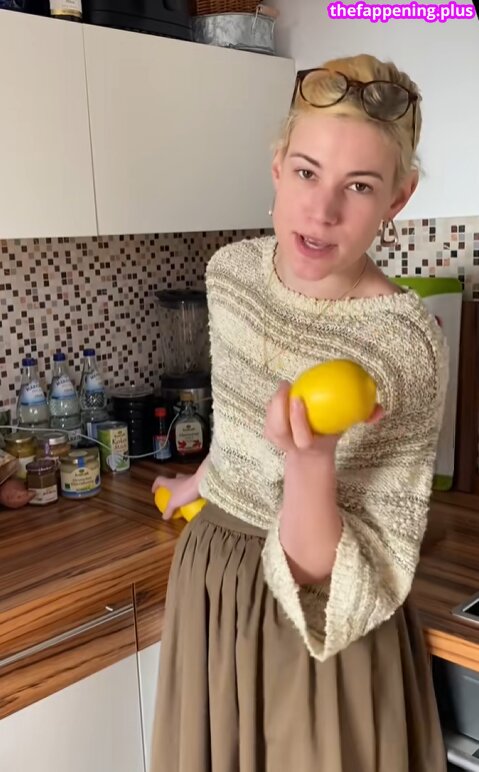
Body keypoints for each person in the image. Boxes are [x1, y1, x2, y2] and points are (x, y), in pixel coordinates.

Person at [150, 53, 450, 771]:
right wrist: (205, 480)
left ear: (398, 199)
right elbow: (244, 423)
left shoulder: (403, 345)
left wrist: (309, 461)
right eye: (308, 172)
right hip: (212, 581)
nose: (322, 210)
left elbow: (329, 575)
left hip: (321, 623)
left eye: (360, 186)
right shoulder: (230, 275)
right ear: (277, 167)